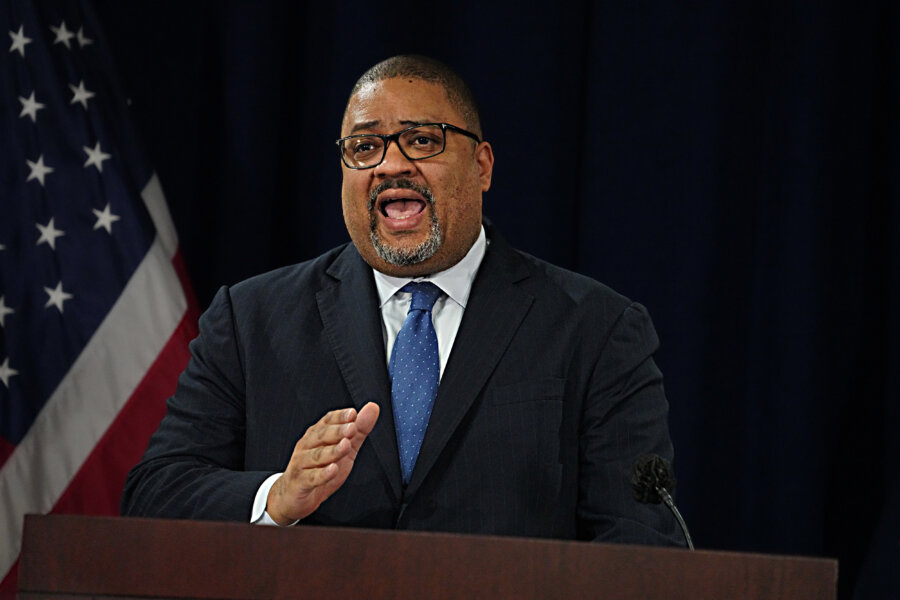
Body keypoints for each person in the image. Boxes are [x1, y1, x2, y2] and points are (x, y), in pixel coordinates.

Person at [121, 55, 684, 546]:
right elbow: (156, 491)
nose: (391, 165)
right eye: (364, 147)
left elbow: (637, 540)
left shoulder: (596, 328)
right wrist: (276, 497)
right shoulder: (252, 320)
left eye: (422, 140)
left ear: (482, 166)